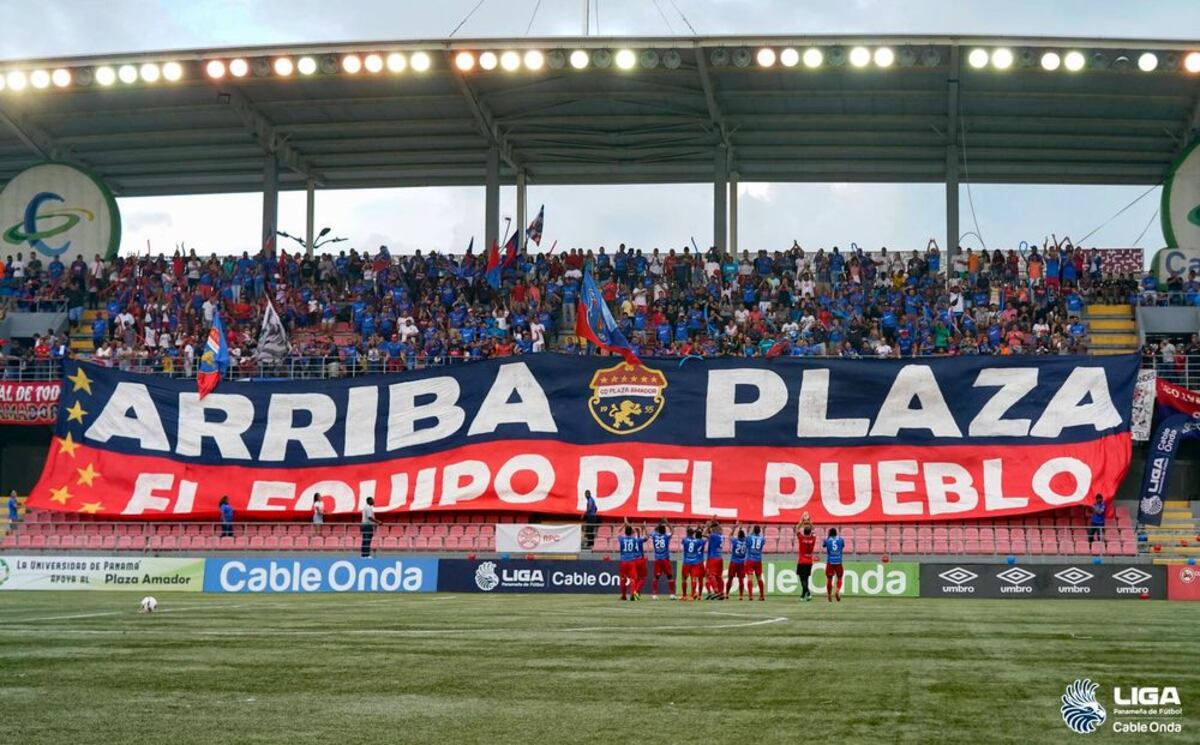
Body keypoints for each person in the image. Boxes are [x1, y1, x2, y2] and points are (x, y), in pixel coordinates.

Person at [617, 523, 646, 601]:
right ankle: (632, 594)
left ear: (625, 532)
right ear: (632, 532)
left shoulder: (621, 538)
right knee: (633, 579)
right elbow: (641, 538)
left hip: (623, 561)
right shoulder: (634, 539)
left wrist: (624, 525)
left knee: (623, 579)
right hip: (631, 561)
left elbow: (618, 532)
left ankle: (623, 596)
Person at [649, 520, 676, 600]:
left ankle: (654, 594)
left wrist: (660, 524)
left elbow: (652, 532)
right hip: (665, 559)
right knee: (670, 576)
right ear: (664, 530)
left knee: (656, 577)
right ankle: (671, 594)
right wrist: (667, 522)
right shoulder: (666, 536)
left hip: (657, 559)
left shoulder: (654, 535)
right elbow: (672, 530)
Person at [680, 528, 705, 601]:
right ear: (693, 533)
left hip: (686, 562)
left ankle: (684, 596)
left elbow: (683, 543)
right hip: (695, 562)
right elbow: (702, 540)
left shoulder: (684, 540)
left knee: (684, 579)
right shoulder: (698, 541)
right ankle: (692, 595)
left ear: (687, 533)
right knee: (694, 579)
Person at [822, 527, 845, 603]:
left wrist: (828, 537)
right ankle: (837, 590)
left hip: (830, 562)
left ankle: (829, 594)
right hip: (838, 561)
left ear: (829, 533)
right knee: (840, 578)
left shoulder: (827, 540)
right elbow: (843, 546)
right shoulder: (841, 539)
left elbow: (823, 545)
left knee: (829, 579)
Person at [796, 522, 817, 602]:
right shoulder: (813, 539)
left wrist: (802, 521)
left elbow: (797, 529)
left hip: (802, 561)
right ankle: (803, 595)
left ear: (804, 532)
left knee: (802, 579)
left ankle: (808, 593)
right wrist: (810, 522)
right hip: (809, 561)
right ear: (810, 532)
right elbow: (814, 530)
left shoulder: (801, 538)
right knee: (806, 579)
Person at [726, 526, 749, 600]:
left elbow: (729, 536)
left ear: (738, 536)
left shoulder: (735, 541)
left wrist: (735, 527)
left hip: (734, 562)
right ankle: (741, 596)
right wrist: (741, 529)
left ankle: (727, 594)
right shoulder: (746, 542)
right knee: (741, 580)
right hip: (742, 562)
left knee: (730, 578)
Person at [704, 521, 725, 600]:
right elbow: (720, 530)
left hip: (713, 558)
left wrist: (708, 526)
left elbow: (703, 534)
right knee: (719, 577)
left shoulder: (713, 536)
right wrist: (716, 524)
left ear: (714, 529)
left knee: (710, 575)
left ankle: (716, 591)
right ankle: (721, 593)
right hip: (720, 558)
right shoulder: (722, 536)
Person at [746, 525, 766, 601]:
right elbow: (762, 544)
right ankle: (762, 596)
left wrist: (751, 532)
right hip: (758, 560)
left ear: (753, 530)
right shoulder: (762, 539)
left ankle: (750, 596)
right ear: (760, 531)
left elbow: (747, 543)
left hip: (750, 559)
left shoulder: (749, 537)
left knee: (750, 578)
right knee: (759, 578)